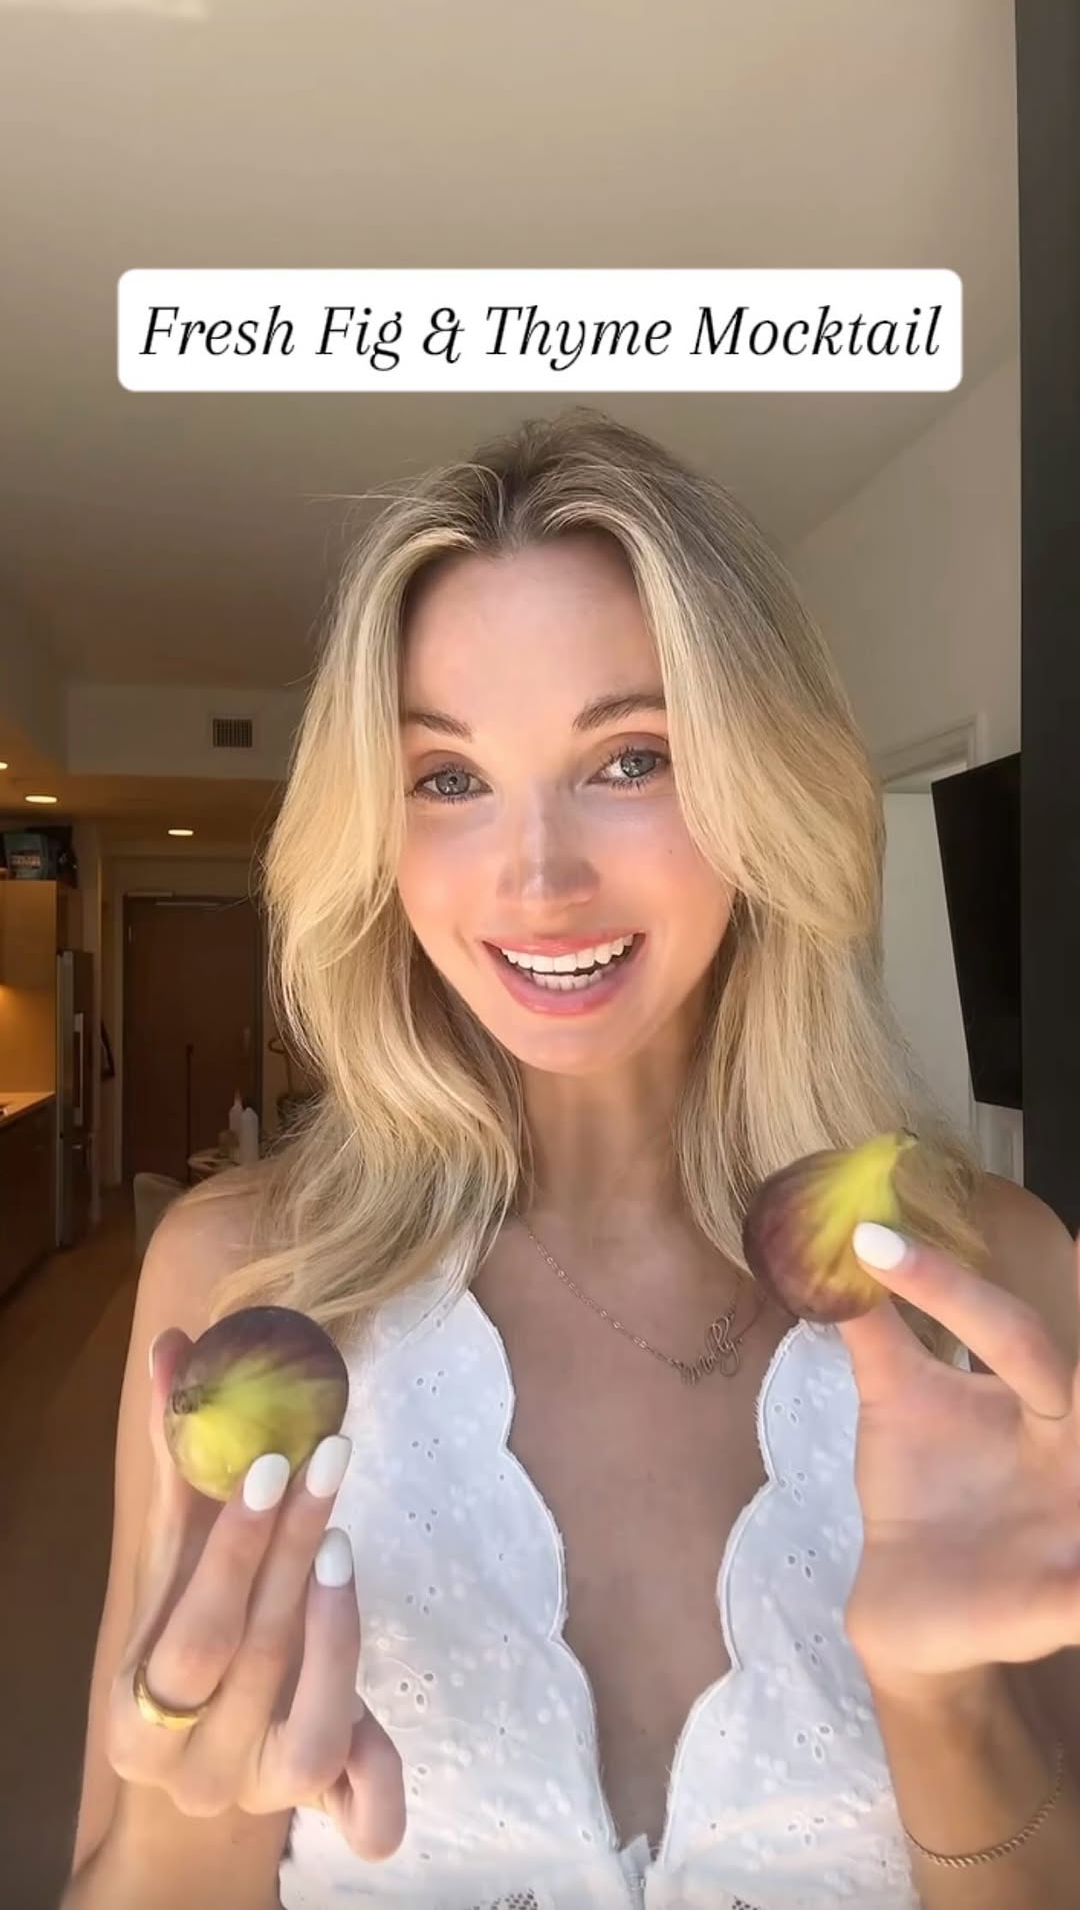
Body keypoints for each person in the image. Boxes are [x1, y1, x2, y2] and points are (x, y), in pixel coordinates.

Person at [64, 410, 1080, 1910]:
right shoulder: (247, 1277)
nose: (537, 879)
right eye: (449, 778)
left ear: (764, 783)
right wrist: (185, 1802)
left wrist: (945, 1704)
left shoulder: (995, 1282)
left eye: (631, 757)